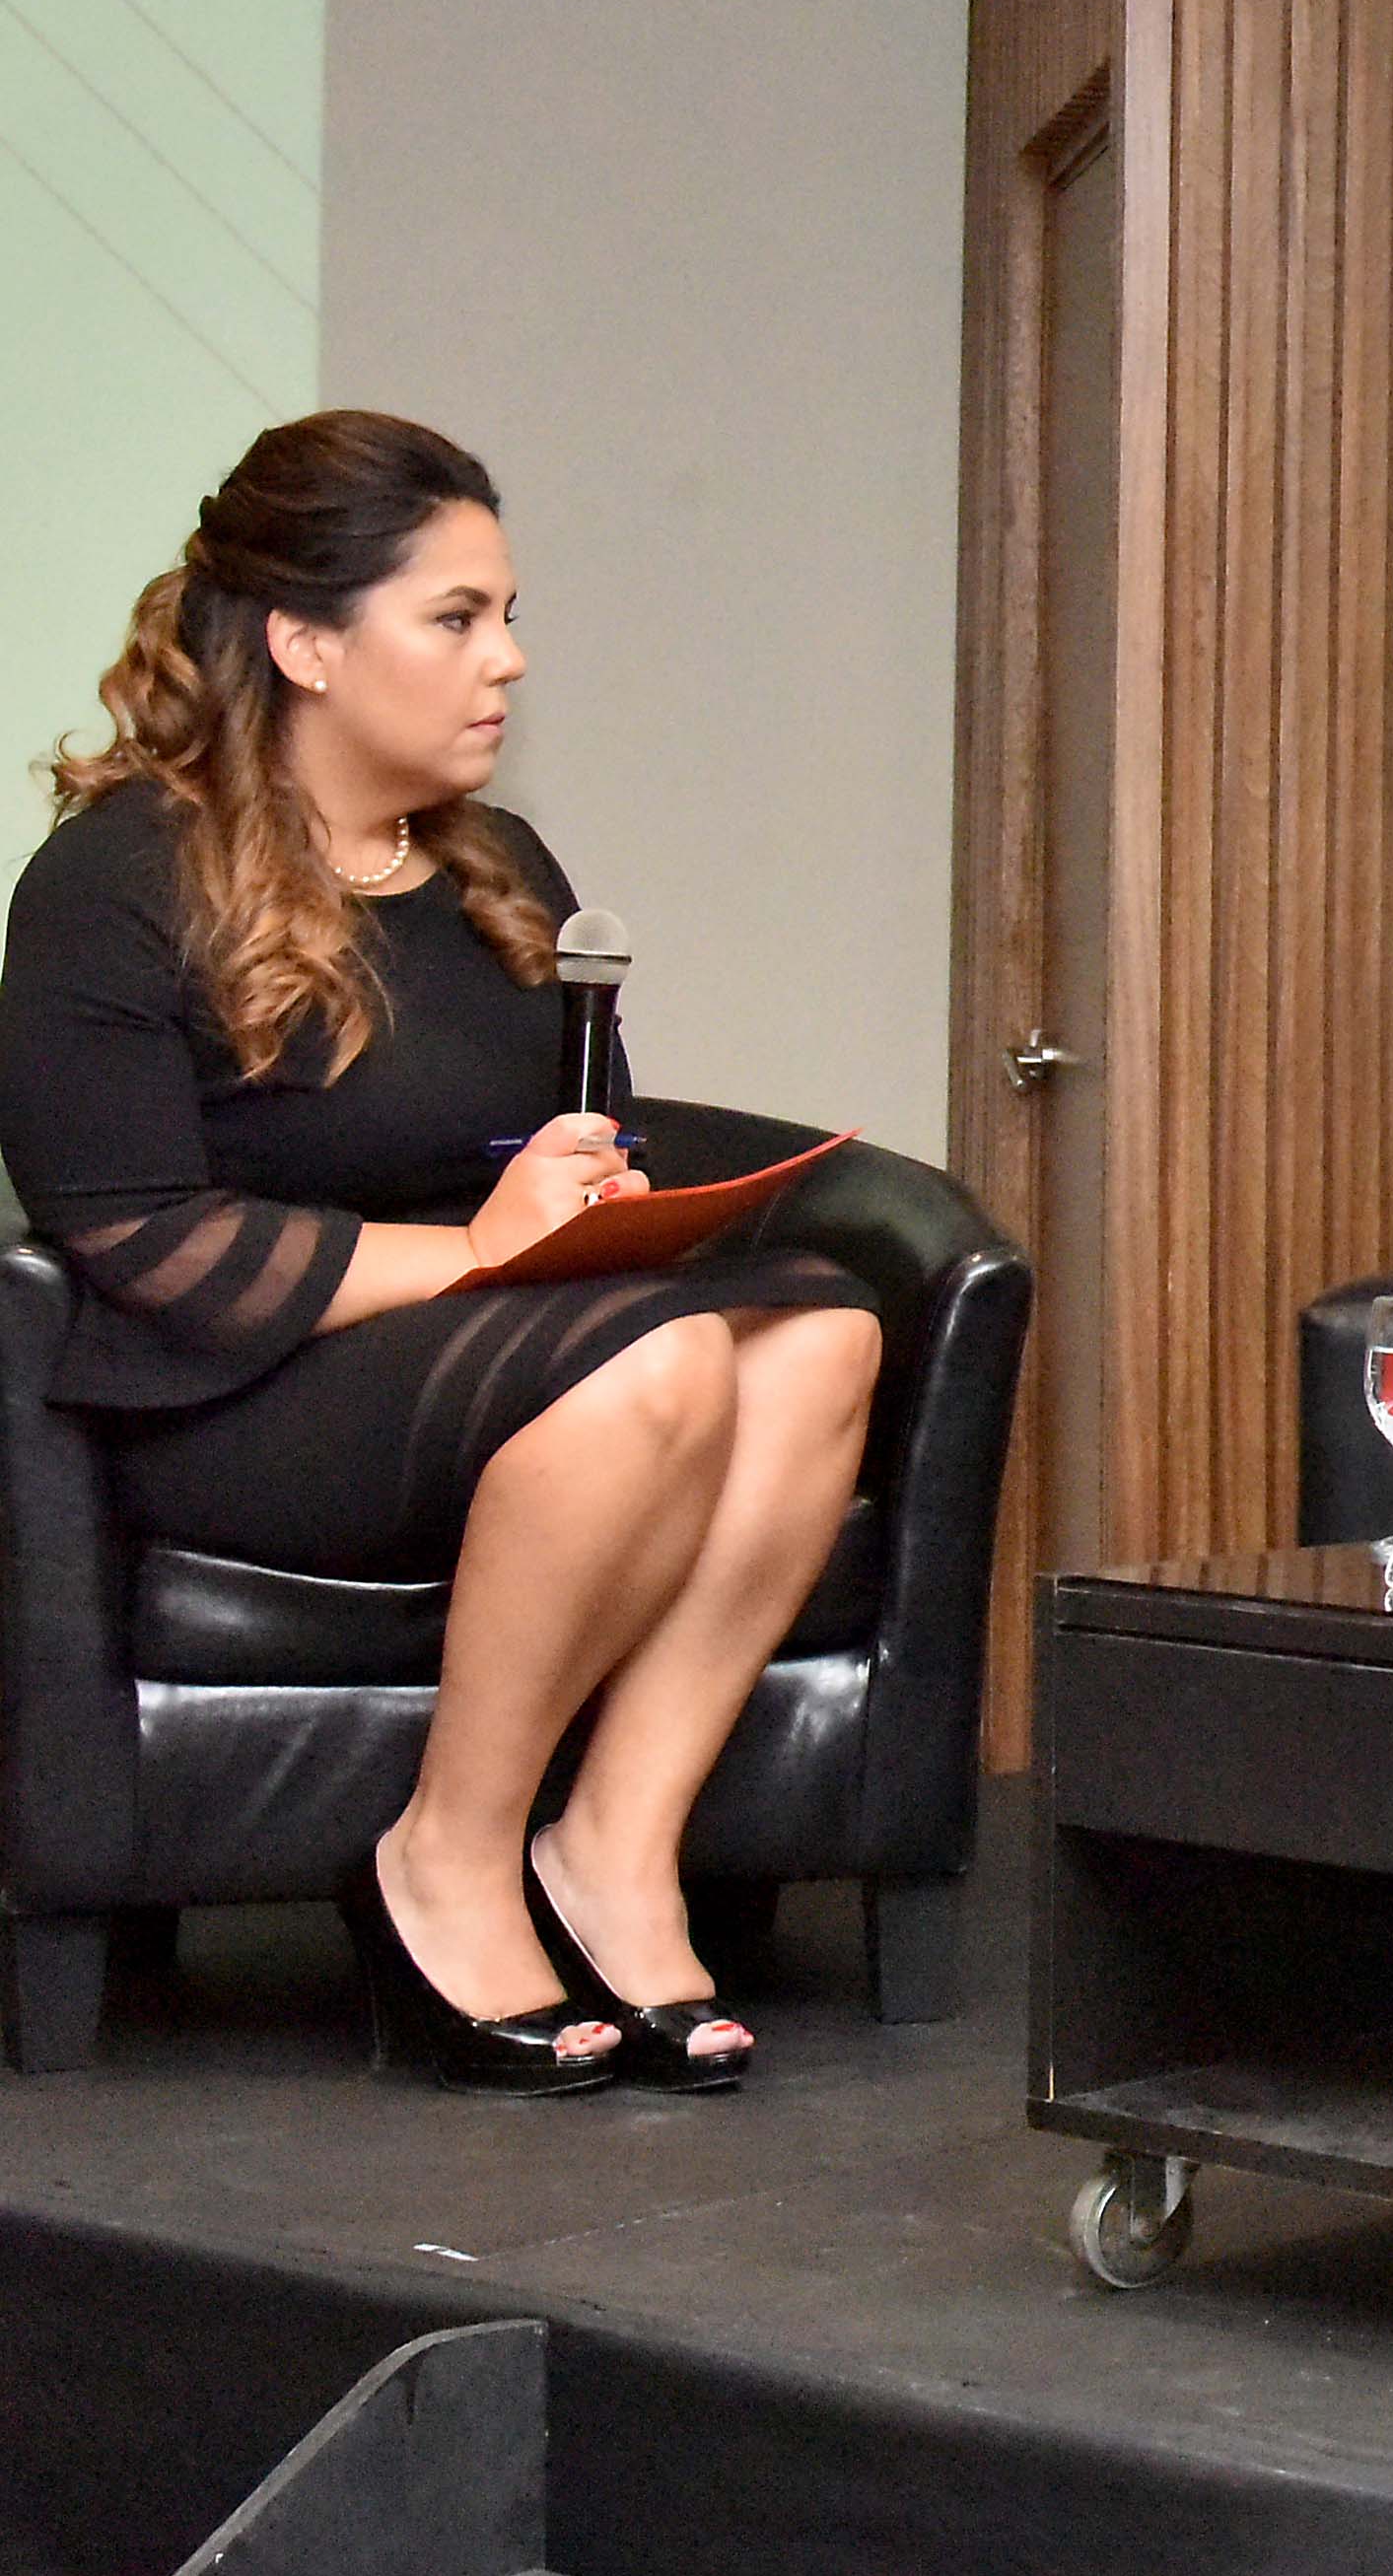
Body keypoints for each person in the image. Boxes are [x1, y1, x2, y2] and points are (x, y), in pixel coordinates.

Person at [0, 413, 886, 2099]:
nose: (509, 659)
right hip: (236, 1398)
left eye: (508, 614)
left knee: (824, 1333)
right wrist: (477, 1253)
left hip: (488, 1358)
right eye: (458, 617)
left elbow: (577, 1143)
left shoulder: (498, 869)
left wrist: (586, 1198)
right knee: (663, 1357)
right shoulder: (111, 880)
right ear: (307, 642)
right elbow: (140, 1239)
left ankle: (616, 1845)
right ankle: (445, 1859)